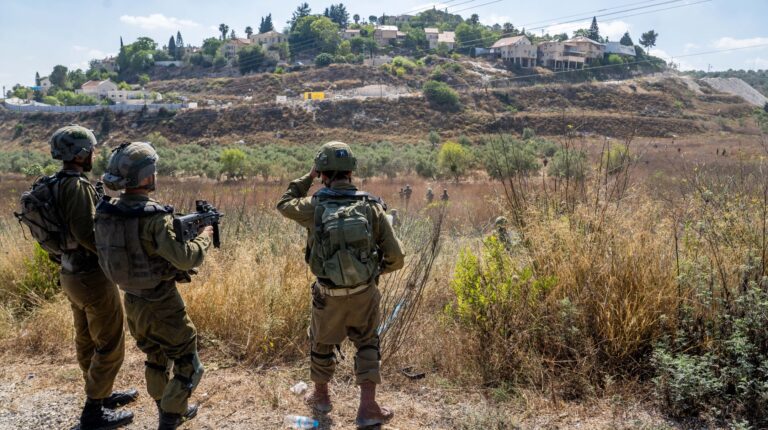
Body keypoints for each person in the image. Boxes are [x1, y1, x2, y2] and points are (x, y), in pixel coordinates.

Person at [277, 141, 405, 428]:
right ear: (351, 171)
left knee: (321, 342)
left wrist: (307, 177)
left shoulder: (315, 205)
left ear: (323, 172)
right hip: (364, 293)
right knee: (368, 343)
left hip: (328, 293)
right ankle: (368, 408)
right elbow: (396, 257)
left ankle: (321, 397)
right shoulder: (371, 206)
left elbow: (283, 204)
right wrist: (372, 273)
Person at [16, 125, 137, 430]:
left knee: (86, 337)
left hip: (69, 272)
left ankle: (101, 393)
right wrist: (117, 258)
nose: (93, 154)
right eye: (91, 150)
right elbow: (87, 233)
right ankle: (94, 412)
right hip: (91, 275)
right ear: (82, 153)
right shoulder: (77, 186)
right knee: (109, 341)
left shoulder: (54, 184)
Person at [93, 142, 212, 430]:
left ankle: (164, 407)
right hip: (162, 302)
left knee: (155, 357)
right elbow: (185, 259)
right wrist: (204, 236)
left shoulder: (108, 212)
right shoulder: (155, 216)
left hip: (132, 301)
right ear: (146, 177)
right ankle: (171, 418)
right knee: (187, 363)